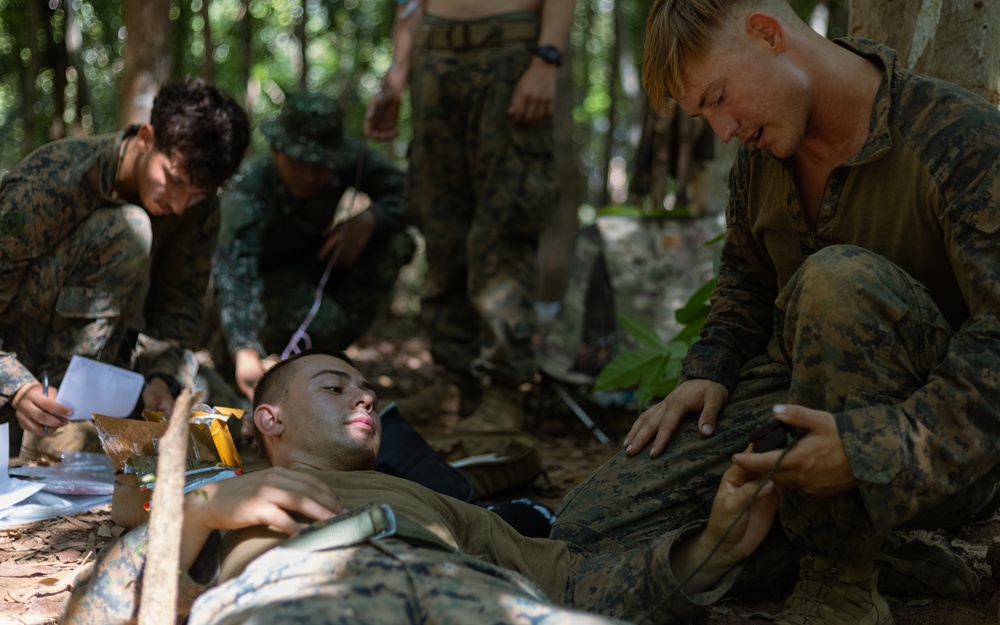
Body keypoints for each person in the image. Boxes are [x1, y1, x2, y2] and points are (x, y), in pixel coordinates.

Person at [551, 1, 1000, 624]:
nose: (724, 130)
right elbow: (745, 284)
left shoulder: (960, 136)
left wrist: (871, 447)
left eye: (719, 97)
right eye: (703, 114)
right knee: (581, 534)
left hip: (939, 440)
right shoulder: (761, 157)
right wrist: (708, 368)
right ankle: (873, 549)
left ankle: (840, 585)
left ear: (766, 33)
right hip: (792, 405)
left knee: (837, 279)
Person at [61, 348, 781, 625]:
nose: (364, 397)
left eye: (370, 390)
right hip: (296, 598)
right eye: (335, 384)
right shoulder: (225, 491)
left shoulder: (436, 504)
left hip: (477, 593)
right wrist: (202, 509)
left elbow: (576, 583)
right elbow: (99, 607)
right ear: (267, 417)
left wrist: (714, 545)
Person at [0, 78, 249, 460]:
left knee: (233, 428)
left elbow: (178, 310)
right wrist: (16, 386)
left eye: (197, 193)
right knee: (128, 227)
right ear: (146, 138)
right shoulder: (48, 183)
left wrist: (161, 379)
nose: (181, 205)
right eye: (174, 180)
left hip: (117, 366)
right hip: (29, 374)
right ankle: (52, 432)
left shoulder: (198, 208)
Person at [363, 0, 576, 431]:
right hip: (435, 56)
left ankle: (503, 388)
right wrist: (399, 69)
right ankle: (455, 381)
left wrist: (546, 57)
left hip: (511, 50)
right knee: (440, 225)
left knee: (503, 223)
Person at [211, 90, 415, 401]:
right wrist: (245, 351)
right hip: (260, 289)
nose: (310, 175)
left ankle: (325, 357)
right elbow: (236, 277)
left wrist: (371, 219)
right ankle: (243, 359)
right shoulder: (248, 192)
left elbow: (412, 194)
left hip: (313, 270)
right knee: (324, 323)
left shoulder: (348, 160)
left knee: (397, 243)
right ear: (278, 151)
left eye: (322, 164)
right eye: (300, 161)